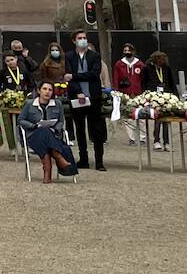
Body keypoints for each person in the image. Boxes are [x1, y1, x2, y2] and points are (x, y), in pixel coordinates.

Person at [63, 31, 109, 171]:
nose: (82, 40)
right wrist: (78, 92)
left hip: (93, 97)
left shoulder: (94, 56)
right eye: (79, 38)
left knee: (96, 130)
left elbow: (94, 74)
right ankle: (83, 159)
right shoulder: (69, 56)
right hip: (77, 97)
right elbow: (67, 76)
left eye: (84, 38)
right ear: (74, 41)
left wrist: (74, 76)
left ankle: (99, 161)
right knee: (80, 129)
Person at [20, 81, 78, 182]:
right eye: (44, 89)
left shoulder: (57, 104)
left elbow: (60, 121)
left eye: (50, 90)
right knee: (43, 130)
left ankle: (47, 171)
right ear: (39, 90)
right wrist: (33, 125)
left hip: (53, 135)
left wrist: (57, 128)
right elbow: (21, 120)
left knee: (46, 132)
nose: (47, 92)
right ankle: (58, 156)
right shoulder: (29, 104)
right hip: (34, 135)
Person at [113, 45, 147, 146]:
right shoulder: (119, 64)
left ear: (133, 51)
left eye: (129, 50)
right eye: (125, 50)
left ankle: (142, 138)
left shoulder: (140, 64)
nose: (127, 52)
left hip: (138, 93)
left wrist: (144, 92)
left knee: (141, 116)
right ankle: (131, 138)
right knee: (128, 117)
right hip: (125, 93)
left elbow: (144, 79)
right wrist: (116, 91)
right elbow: (116, 78)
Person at [145, 48, 173, 148]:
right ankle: (156, 140)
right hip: (154, 96)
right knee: (158, 118)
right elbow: (144, 82)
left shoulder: (166, 68)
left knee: (166, 119)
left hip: (166, 95)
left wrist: (175, 95)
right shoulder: (148, 68)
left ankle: (167, 142)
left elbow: (171, 82)